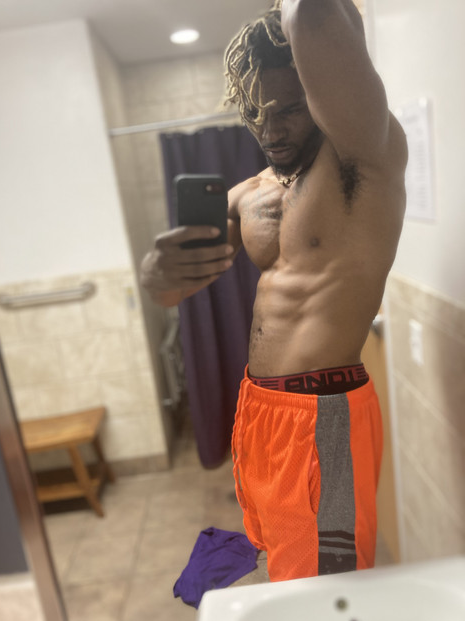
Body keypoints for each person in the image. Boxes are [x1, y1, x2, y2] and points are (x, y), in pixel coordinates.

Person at [140, 0, 407, 582]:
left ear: (322, 95)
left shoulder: (361, 156)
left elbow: (315, 16)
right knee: (282, 558)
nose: (270, 130)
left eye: (289, 110)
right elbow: (169, 292)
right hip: (260, 408)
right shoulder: (250, 192)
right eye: (257, 113)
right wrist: (155, 274)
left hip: (323, 411)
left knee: (326, 587)